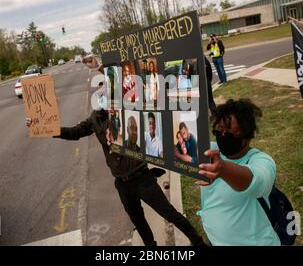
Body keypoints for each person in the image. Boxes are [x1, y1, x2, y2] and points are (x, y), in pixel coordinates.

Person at [25, 110, 205, 246]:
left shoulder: (125, 109)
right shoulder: (94, 118)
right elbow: (75, 132)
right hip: (122, 184)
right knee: (138, 221)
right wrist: (45, 127)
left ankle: (198, 243)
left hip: (143, 178)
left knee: (170, 214)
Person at [197, 99, 280, 246]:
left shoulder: (262, 161)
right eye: (219, 130)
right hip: (214, 240)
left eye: (230, 132)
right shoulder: (210, 150)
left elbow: (258, 182)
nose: (223, 135)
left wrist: (223, 169)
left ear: (246, 137)